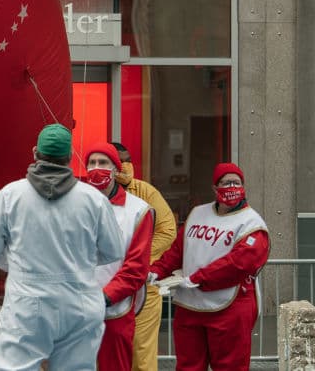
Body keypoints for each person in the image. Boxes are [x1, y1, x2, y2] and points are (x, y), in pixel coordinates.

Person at [0, 123, 125, 371]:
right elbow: (113, 250)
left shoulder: (10, 195)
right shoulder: (94, 200)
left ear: (35, 152)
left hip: (27, 301)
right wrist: (80, 261)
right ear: (69, 157)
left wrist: (17, 264)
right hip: (80, 300)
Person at [149, 162, 269, 371]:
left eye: (236, 182)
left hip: (230, 307)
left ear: (244, 186)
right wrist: (157, 270)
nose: (231, 187)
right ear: (215, 188)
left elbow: (239, 263)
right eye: (225, 183)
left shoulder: (252, 224)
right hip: (190, 306)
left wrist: (198, 278)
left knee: (230, 366)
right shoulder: (198, 214)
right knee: (188, 366)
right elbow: (178, 250)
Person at [84, 143, 154, 371]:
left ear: (116, 169)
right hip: (75, 308)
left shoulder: (139, 210)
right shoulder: (73, 204)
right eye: (92, 163)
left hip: (115, 312)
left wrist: (104, 297)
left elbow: (136, 268)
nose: (97, 168)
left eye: (103, 163)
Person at [110, 142, 177, 371]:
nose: (126, 164)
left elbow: (168, 230)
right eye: (120, 160)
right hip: (105, 287)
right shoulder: (90, 193)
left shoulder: (145, 192)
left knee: (142, 355)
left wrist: (138, 260)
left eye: (128, 159)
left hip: (143, 289)